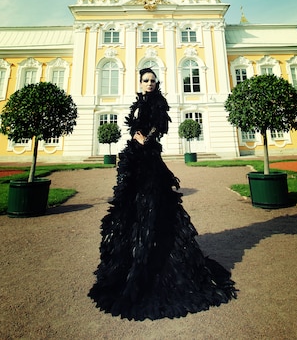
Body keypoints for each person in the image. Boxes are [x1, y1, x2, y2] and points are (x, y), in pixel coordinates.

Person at [88, 68, 236, 320]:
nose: (149, 84)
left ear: (157, 84)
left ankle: (153, 253)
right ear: (140, 82)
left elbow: (160, 125)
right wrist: (136, 138)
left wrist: (146, 138)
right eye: (146, 80)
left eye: (153, 81)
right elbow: (136, 126)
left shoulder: (158, 102)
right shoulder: (140, 102)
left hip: (148, 159)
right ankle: (132, 256)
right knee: (131, 207)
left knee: (152, 204)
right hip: (135, 157)